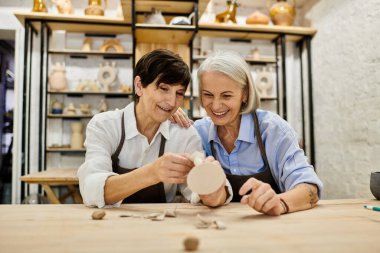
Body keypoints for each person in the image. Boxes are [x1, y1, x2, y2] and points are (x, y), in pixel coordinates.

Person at [172, 51, 323, 215]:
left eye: (226, 96)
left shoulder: (273, 130)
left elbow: (310, 190)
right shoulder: (199, 132)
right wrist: (169, 113)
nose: (215, 106)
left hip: (272, 226)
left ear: (244, 94)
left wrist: (280, 203)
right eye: (208, 95)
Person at [78, 49, 229, 208]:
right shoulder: (105, 126)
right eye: (163, 89)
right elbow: (91, 190)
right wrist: (152, 173)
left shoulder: (184, 134)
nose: (171, 102)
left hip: (161, 227)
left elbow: (202, 195)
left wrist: (213, 187)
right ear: (139, 86)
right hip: (109, 226)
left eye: (179, 93)